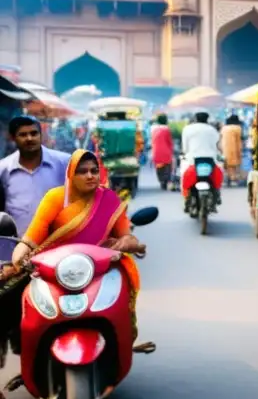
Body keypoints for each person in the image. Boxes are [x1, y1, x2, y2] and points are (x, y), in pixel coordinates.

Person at [2, 152, 151, 380]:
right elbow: (32, 237)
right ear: (71, 174)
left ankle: (121, 341)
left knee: (123, 295)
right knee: (8, 304)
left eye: (94, 170)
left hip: (100, 270)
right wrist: (19, 256)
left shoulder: (109, 199)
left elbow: (126, 236)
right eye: (83, 171)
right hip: (54, 271)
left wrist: (128, 244)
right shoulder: (55, 198)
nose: (90, 175)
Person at [0, 116, 72, 236]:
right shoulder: (3, 168)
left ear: (41, 135)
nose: (29, 138)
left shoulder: (64, 163)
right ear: (13, 138)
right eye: (23, 135)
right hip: (16, 243)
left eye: (34, 133)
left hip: (56, 243)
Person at [180, 112, 223, 206]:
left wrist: (183, 153)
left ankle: (186, 197)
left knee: (183, 174)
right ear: (207, 119)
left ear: (195, 119)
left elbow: (185, 147)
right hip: (211, 158)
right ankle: (217, 193)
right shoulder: (212, 130)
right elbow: (217, 146)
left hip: (192, 159)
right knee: (218, 174)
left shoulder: (188, 129)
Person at [150, 114, 174, 189]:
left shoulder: (153, 129)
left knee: (159, 168)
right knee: (167, 168)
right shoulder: (167, 129)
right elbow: (169, 142)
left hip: (156, 152)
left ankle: (161, 181)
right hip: (166, 152)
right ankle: (166, 181)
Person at [221, 114, 244, 186]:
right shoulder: (237, 128)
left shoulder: (224, 128)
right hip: (235, 148)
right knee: (235, 165)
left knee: (227, 165)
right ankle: (234, 178)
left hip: (225, 149)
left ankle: (228, 179)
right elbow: (239, 139)